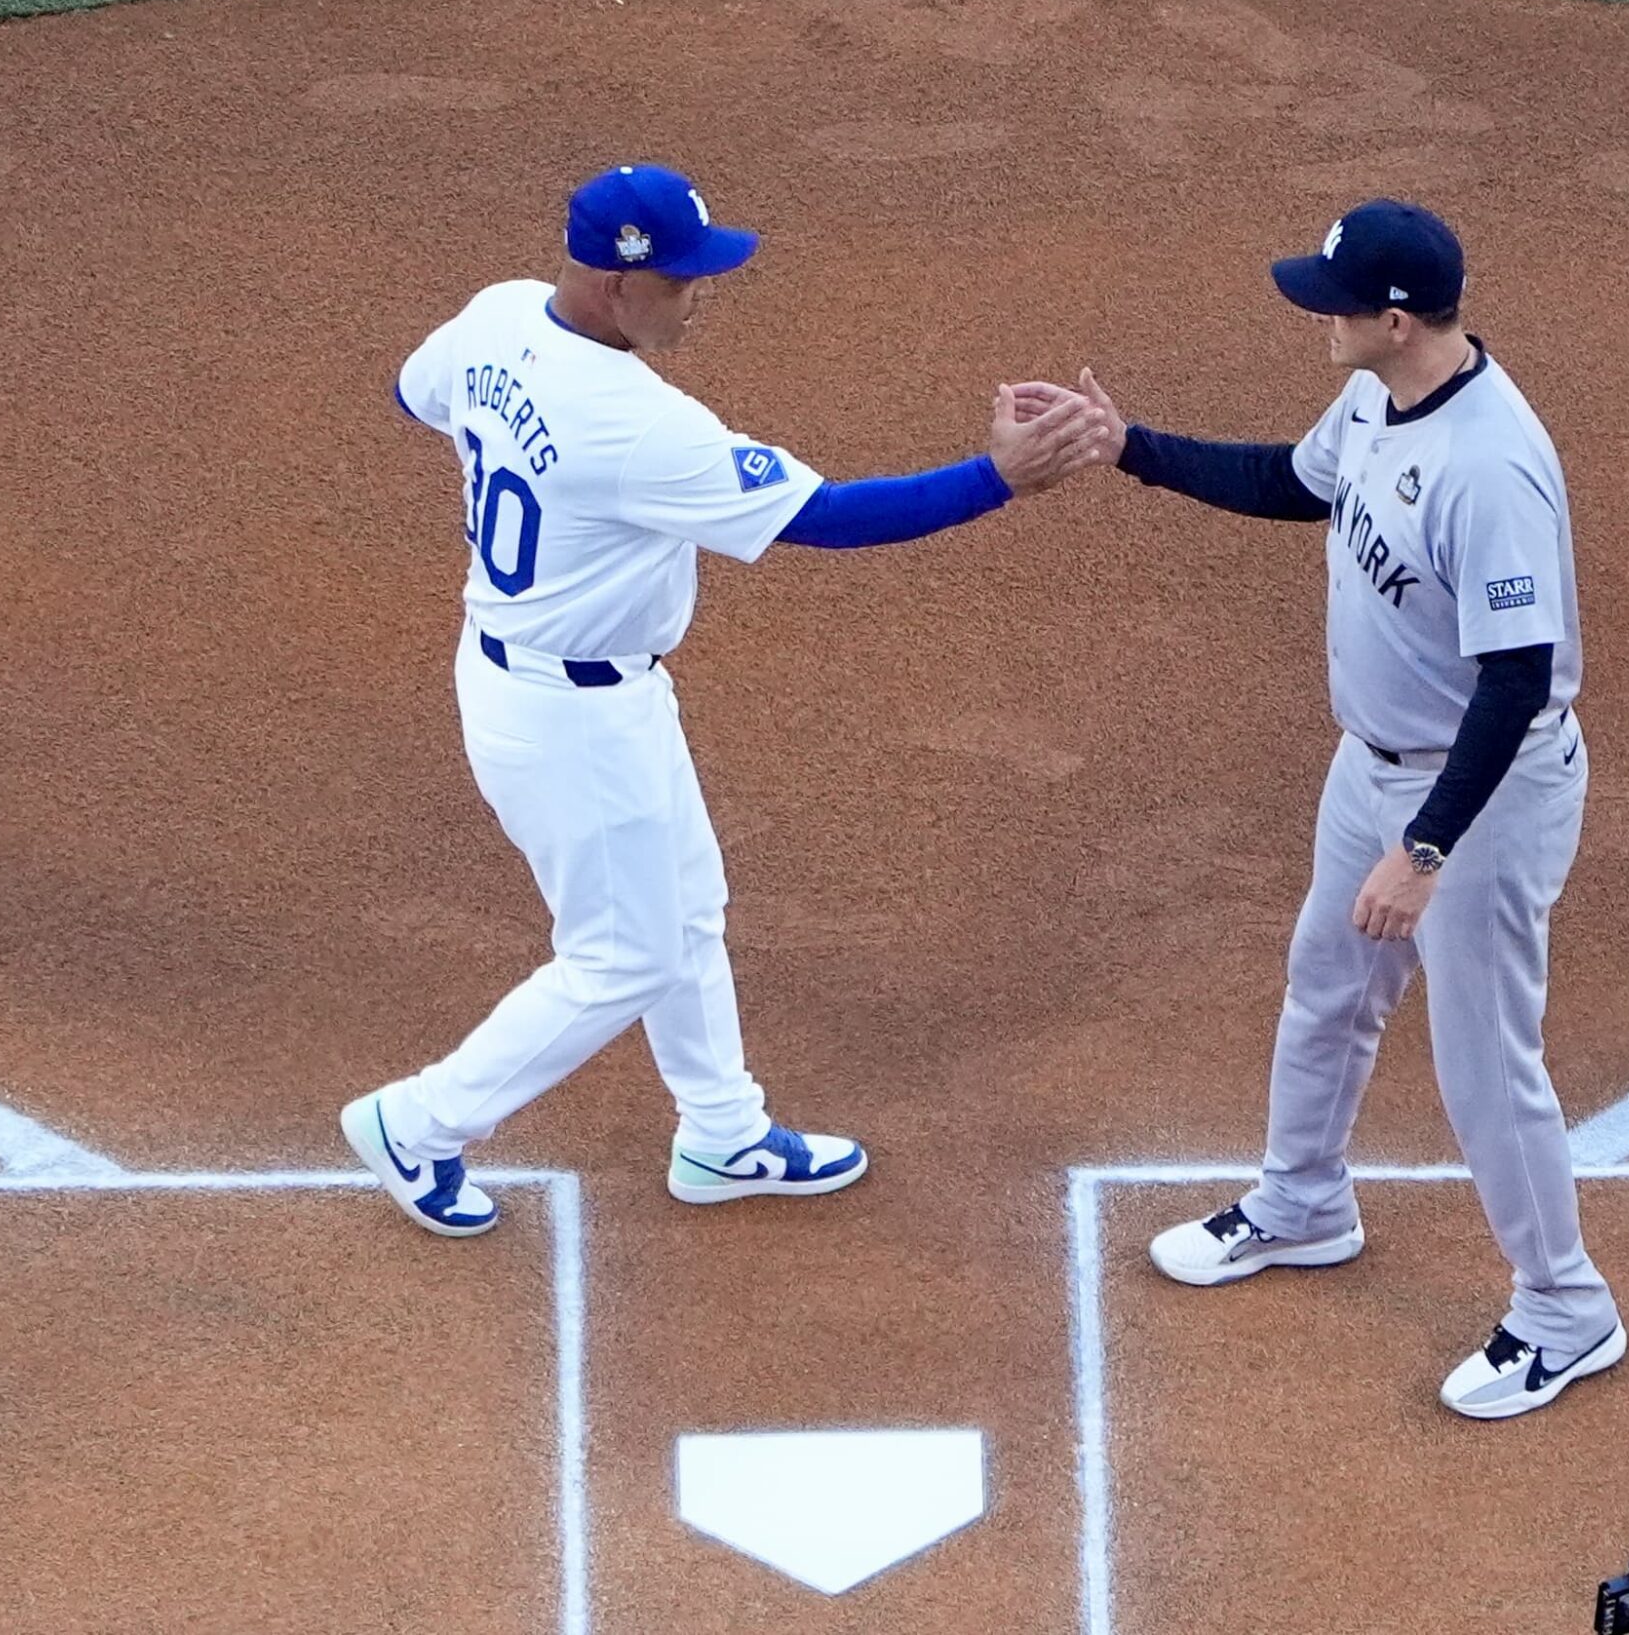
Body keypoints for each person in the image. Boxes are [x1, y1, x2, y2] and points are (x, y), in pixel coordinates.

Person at [342, 163, 1115, 1237]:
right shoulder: (636, 425)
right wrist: (999, 478)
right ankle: (420, 1121)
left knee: (687, 907)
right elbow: (831, 519)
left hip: (566, 684)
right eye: (686, 278)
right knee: (621, 957)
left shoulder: (497, 315)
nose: (703, 293)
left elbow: (411, 392)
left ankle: (720, 1132)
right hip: (566, 721)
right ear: (619, 287)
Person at [1026, 199, 1623, 1419]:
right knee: (1326, 985)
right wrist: (1126, 445)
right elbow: (1292, 485)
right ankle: (1302, 1203)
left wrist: (1426, 848)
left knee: (1483, 1066)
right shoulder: (1373, 399)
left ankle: (1566, 1309)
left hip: (1482, 793)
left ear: (1394, 319)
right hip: (1374, 766)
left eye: (1333, 301)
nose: (1316, 314)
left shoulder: (1490, 466)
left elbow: (1515, 679)